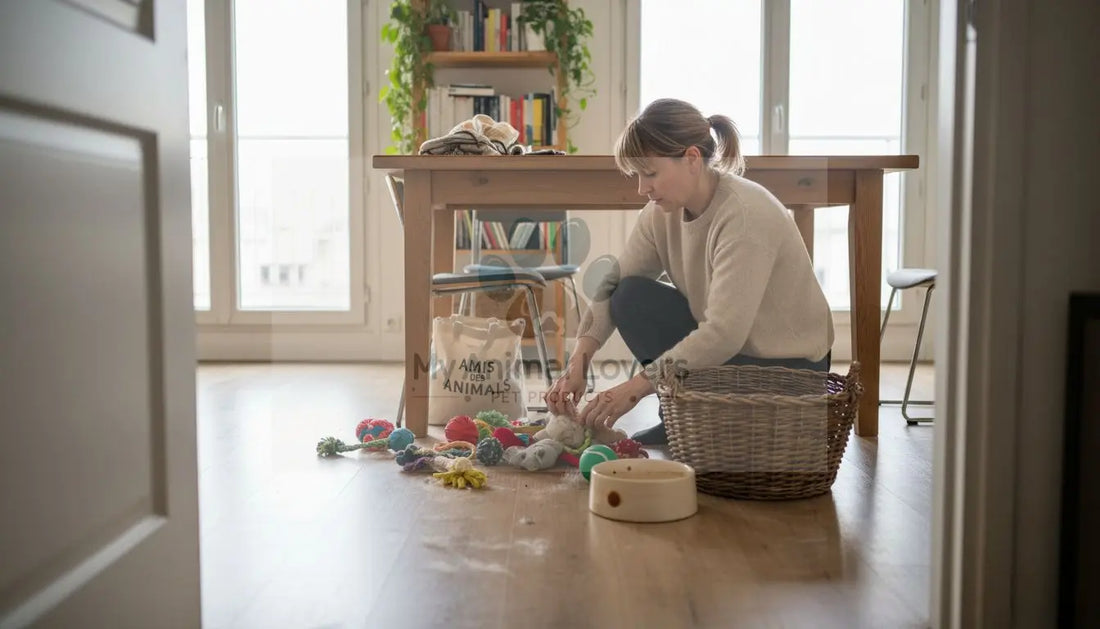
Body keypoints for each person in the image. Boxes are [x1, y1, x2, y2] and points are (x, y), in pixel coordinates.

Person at [544, 98, 834, 445]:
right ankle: (680, 417)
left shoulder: (744, 215)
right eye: (637, 175)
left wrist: (634, 389)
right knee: (628, 294)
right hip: (733, 358)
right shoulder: (659, 214)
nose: (641, 188)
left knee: (658, 314)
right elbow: (612, 285)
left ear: (692, 159)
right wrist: (580, 359)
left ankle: (691, 419)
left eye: (650, 173)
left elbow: (724, 335)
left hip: (786, 371)